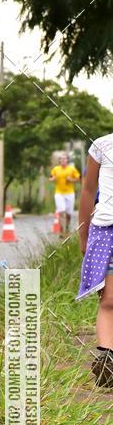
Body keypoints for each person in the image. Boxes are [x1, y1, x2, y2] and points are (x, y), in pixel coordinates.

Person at [76, 133, 113, 388]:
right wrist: (83, 233)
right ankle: (107, 358)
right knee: (109, 298)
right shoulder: (101, 145)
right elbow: (88, 191)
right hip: (106, 229)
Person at [50, 152, 80, 233]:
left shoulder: (72, 169)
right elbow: (51, 177)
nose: (63, 160)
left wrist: (71, 180)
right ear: (59, 161)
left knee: (69, 213)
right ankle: (61, 230)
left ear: (67, 160)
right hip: (59, 193)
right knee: (61, 211)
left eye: (64, 159)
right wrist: (53, 179)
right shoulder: (56, 169)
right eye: (61, 159)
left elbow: (78, 179)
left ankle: (67, 226)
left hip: (69, 193)